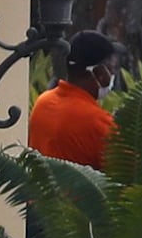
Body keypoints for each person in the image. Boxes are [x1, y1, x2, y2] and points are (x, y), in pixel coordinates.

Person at [27, 30, 120, 170]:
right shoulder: (97, 121)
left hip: (40, 191)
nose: (113, 75)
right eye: (112, 69)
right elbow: (132, 170)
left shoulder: (43, 103)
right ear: (100, 73)